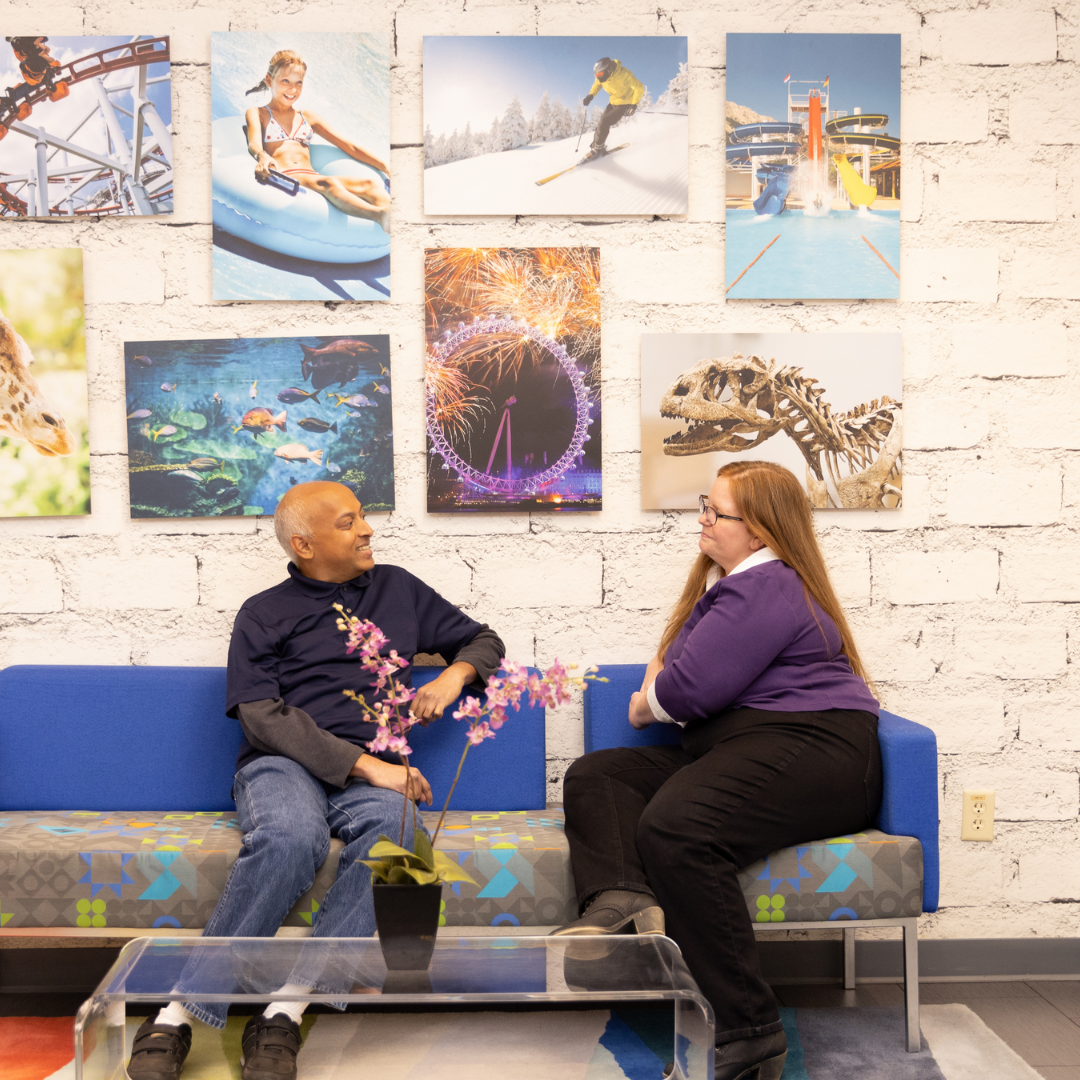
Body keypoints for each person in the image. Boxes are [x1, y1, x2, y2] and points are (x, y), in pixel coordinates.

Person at [127, 480, 505, 1080]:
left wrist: (453, 676)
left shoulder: (398, 589)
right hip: (281, 765)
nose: (367, 530)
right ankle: (176, 1012)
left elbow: (484, 640)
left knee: (403, 837)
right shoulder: (262, 613)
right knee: (290, 839)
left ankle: (285, 1009)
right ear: (304, 544)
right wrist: (369, 766)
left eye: (363, 518)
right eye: (349, 522)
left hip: (371, 772)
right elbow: (261, 715)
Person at [553, 461, 881, 1080]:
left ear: (758, 531)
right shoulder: (735, 587)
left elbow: (684, 693)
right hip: (748, 746)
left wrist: (645, 700)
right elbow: (682, 677)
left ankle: (750, 1029)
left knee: (679, 829)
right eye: (706, 504)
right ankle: (623, 898)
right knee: (599, 775)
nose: (702, 519)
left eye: (716, 511)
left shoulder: (765, 586)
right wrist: (662, 680)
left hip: (814, 748)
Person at [243, 49, 391, 235]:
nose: (293, 89)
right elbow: (254, 142)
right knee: (329, 183)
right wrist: (262, 156)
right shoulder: (258, 113)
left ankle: (397, 221)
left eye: (299, 83)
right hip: (287, 175)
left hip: (310, 175)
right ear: (269, 81)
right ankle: (380, 216)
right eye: (285, 81)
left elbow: (348, 146)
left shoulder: (308, 117)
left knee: (369, 184)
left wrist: (385, 166)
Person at [581, 56, 644, 162]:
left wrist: (634, 105)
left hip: (625, 103)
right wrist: (590, 96)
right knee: (601, 123)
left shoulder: (624, 75)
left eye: (600, 74)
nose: (598, 77)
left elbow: (639, 87)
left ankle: (598, 148)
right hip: (613, 102)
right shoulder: (602, 77)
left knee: (605, 121)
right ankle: (596, 147)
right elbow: (597, 85)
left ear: (608, 69)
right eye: (596, 75)